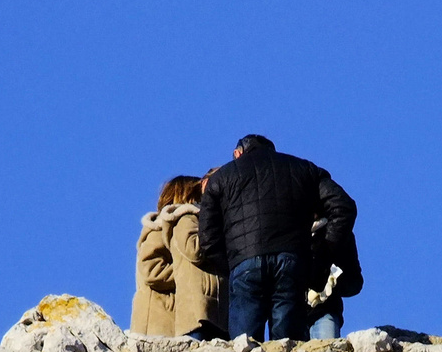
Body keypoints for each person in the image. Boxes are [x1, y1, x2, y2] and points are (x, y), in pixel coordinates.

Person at [198, 135, 356, 341]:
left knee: (243, 345)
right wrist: (320, 255)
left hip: (244, 263)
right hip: (291, 262)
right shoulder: (304, 169)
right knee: (287, 343)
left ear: (238, 153)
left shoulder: (220, 178)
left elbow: (208, 239)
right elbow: (343, 207)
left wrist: (232, 264)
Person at [129, 176, 228, 339]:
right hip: (157, 320)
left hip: (171, 319)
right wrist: (188, 273)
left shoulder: (175, 226)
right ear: (187, 195)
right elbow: (151, 271)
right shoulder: (158, 229)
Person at [305, 216, 363, 340]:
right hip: (291, 316)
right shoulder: (288, 230)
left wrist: (333, 281)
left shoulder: (339, 232)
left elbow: (355, 282)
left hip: (325, 312)